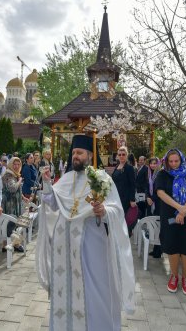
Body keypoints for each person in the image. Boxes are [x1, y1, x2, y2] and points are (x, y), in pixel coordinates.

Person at [36, 135, 135, 331]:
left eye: (79, 153)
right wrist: (47, 183)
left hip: (91, 242)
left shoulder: (101, 178)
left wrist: (104, 211)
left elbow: (116, 209)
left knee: (94, 288)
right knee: (66, 288)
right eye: (73, 152)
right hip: (63, 246)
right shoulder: (65, 179)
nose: (75, 156)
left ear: (90, 155)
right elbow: (52, 203)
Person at [155, 149, 186, 295]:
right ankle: (174, 276)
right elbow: (160, 192)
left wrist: (185, 210)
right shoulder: (163, 173)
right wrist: (179, 208)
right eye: (171, 161)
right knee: (172, 246)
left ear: (181, 160)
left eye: (176, 161)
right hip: (170, 214)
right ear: (166, 161)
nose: (174, 164)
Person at [1, 157, 27, 253]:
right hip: (9, 203)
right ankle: (10, 244)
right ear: (10, 164)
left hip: (14, 202)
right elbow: (12, 188)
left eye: (18, 164)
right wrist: (20, 180)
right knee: (10, 222)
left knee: (12, 223)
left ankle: (11, 243)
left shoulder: (15, 174)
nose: (16, 166)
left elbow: (17, 189)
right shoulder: (9, 174)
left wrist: (23, 197)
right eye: (14, 164)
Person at [111, 146, 137, 235]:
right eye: (119, 154)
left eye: (123, 154)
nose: (121, 156)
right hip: (116, 197)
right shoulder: (117, 166)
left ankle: (125, 238)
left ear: (126, 155)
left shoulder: (129, 168)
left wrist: (132, 200)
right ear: (117, 156)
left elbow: (133, 184)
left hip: (125, 199)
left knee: (124, 220)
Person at [146, 157, 162, 258]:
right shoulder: (149, 174)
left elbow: (160, 190)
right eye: (151, 164)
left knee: (158, 226)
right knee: (152, 226)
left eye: (154, 164)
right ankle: (155, 249)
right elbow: (146, 187)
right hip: (150, 202)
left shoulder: (160, 174)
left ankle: (158, 250)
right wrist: (148, 197)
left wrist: (153, 199)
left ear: (158, 164)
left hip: (158, 203)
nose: (153, 165)